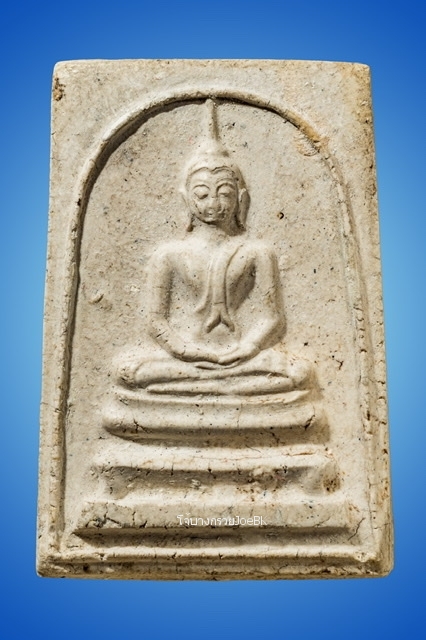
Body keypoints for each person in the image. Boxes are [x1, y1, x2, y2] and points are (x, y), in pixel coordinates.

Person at [118, 101, 310, 396]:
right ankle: (225, 388)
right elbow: (156, 321)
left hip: (245, 357)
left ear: (240, 198)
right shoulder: (169, 255)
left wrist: (247, 349)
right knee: (130, 372)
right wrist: (187, 352)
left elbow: (271, 317)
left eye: (224, 193)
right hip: (186, 357)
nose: (213, 204)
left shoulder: (257, 252)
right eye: (202, 194)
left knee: (299, 371)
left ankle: (207, 388)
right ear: (186, 199)